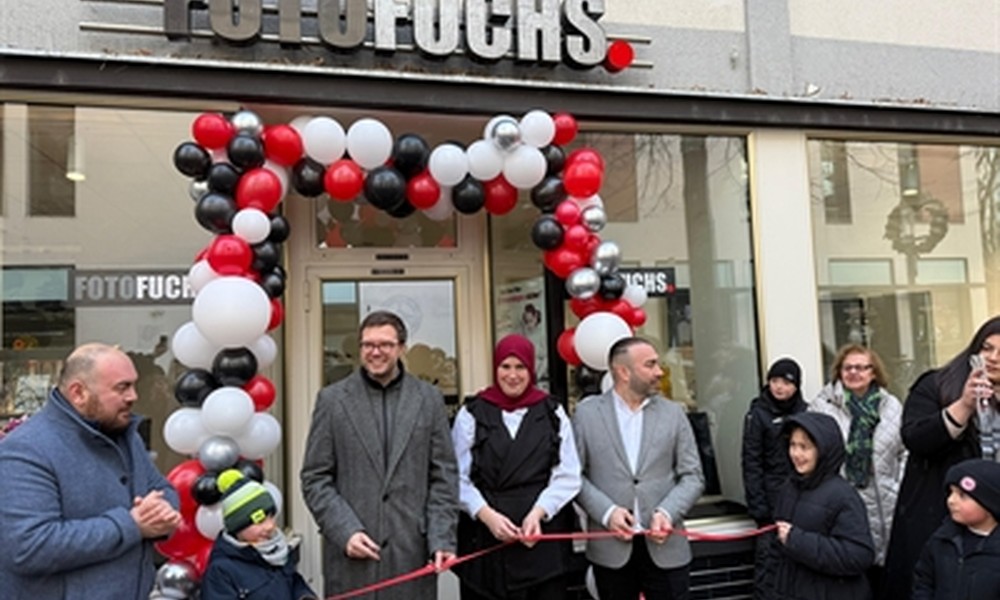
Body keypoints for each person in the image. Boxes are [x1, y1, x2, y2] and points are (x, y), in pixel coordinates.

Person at [0, 342, 181, 600]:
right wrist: (131, 525)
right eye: (122, 387)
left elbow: (163, 490)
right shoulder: (25, 451)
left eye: (133, 385)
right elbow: (29, 547)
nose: (133, 396)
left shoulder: (126, 436)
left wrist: (160, 513)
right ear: (78, 393)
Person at [300, 310, 460, 599]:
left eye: (385, 344)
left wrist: (441, 538)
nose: (376, 352)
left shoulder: (428, 399)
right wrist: (344, 530)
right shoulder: (332, 401)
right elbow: (315, 477)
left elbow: (443, 476)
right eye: (368, 345)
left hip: (412, 553)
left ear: (401, 348)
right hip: (352, 560)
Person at [572, 336, 705, 600]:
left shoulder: (673, 414)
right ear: (623, 372)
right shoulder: (587, 415)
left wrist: (667, 512)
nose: (659, 372)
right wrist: (607, 513)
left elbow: (693, 476)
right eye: (650, 365)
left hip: (667, 549)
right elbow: (573, 477)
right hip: (611, 551)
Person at [451, 334, 581, 600]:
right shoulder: (472, 413)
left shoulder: (552, 411)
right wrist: (487, 516)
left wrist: (538, 513)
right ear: (495, 368)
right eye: (505, 367)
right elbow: (456, 478)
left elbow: (568, 474)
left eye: (520, 367)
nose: (512, 375)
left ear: (531, 369)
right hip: (486, 540)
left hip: (541, 538)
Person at [883, 316, 1000, 599]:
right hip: (937, 519)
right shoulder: (936, 384)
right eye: (987, 348)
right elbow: (914, 438)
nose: (994, 358)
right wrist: (964, 405)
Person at [810, 344, 905, 599]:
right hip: (844, 503)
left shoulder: (891, 406)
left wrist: (898, 485)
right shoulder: (823, 406)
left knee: (886, 578)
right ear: (839, 371)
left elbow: (905, 451)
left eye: (862, 367)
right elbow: (812, 456)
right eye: (848, 367)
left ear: (873, 373)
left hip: (887, 504)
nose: (854, 372)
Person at [771, 412, 875, 599]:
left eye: (805, 447)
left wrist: (797, 540)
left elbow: (859, 555)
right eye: (793, 445)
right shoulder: (789, 487)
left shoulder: (843, 496)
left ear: (823, 450)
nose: (796, 454)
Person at [740, 357, 807, 600]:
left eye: (786, 382)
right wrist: (759, 507)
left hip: (801, 499)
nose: (780, 387)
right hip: (770, 503)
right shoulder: (758, 414)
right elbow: (751, 462)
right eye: (775, 381)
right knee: (769, 564)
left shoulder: (805, 412)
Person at [201, 469, 317, 600]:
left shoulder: (278, 551)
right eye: (259, 521)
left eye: (271, 516)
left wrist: (304, 596)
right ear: (238, 526)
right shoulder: (221, 571)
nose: (270, 526)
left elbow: (294, 582)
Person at [912, 458, 1000, 599]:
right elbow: (924, 582)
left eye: (962, 496)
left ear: (989, 505)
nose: (951, 500)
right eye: (951, 492)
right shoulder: (942, 540)